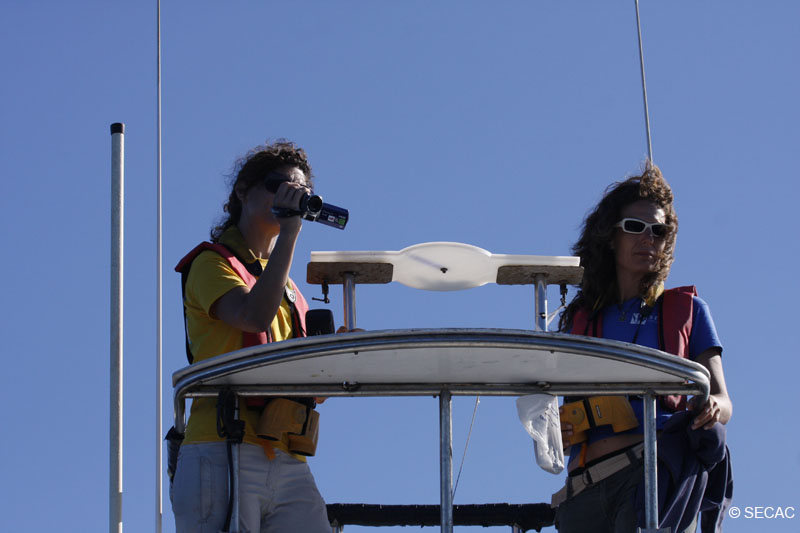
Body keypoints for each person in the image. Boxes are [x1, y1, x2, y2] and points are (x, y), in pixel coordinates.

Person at [552, 164, 732, 533]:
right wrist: (555, 429)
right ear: (610, 237)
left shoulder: (688, 311)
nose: (648, 238)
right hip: (584, 489)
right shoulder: (581, 321)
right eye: (635, 227)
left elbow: (724, 401)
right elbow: (560, 412)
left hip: (652, 474)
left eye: (659, 231)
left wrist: (713, 407)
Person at [170, 140, 332, 532]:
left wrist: (339, 353)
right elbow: (253, 316)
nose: (289, 197)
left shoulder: (289, 290)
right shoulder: (211, 264)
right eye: (278, 185)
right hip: (221, 446)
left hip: (285, 454)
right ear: (242, 191)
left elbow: (313, 388)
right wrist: (291, 232)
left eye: (300, 193)